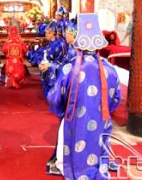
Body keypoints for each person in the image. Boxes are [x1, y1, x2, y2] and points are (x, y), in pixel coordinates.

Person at [46, 13, 122, 179]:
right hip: (101, 119)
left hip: (74, 118)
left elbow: (54, 97)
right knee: (98, 140)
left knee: (68, 137)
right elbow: (116, 100)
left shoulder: (69, 68)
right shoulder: (110, 69)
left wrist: (64, 111)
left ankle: (72, 167)